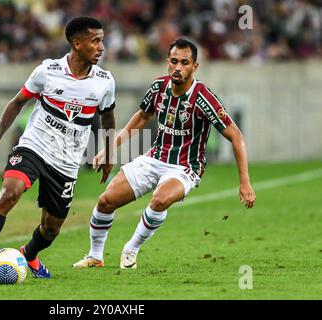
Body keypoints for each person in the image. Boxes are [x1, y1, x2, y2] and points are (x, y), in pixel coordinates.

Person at [73, 38, 256, 270]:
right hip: (154, 158)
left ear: (195, 67)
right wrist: (109, 148)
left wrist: (245, 182)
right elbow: (141, 118)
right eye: (174, 61)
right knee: (106, 201)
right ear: (167, 62)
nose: (178, 68)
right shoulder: (159, 87)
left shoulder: (203, 98)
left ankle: (131, 249)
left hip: (185, 167)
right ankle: (95, 256)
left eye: (185, 63)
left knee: (159, 200)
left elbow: (236, 136)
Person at [0, 16, 116, 280]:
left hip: (66, 161)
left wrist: (109, 150)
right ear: (77, 44)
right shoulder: (48, 70)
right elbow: (16, 103)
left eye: (102, 40)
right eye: (95, 41)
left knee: (51, 229)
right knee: (10, 192)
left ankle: (29, 254)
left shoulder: (104, 81)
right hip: (35, 146)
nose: (101, 47)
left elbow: (108, 115)